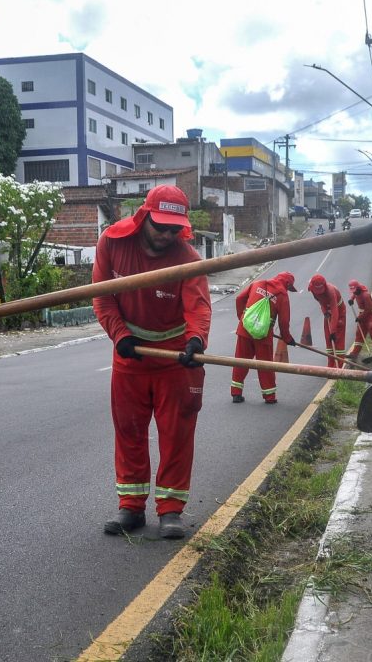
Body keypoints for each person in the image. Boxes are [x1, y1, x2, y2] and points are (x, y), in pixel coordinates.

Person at [92, 185, 211, 540]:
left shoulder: (188, 258)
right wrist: (120, 335)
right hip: (131, 353)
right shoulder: (112, 244)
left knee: (176, 434)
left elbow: (198, 306)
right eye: (160, 226)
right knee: (129, 430)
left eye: (174, 228)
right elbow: (101, 297)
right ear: (144, 217)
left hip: (175, 357)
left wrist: (195, 341)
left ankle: (171, 510)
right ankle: (131, 507)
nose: (167, 234)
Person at [230, 272, 298, 404]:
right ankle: (269, 396)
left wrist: (242, 318)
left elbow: (239, 299)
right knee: (265, 365)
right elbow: (284, 322)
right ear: (287, 284)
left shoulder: (257, 283)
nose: (288, 290)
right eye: (289, 288)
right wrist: (287, 338)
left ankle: (236, 393)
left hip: (245, 329)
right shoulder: (282, 296)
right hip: (263, 335)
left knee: (240, 361)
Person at [307, 274, 347, 368]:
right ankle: (330, 367)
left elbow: (335, 310)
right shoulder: (311, 289)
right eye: (317, 291)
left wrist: (333, 331)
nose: (319, 293)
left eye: (320, 291)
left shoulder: (331, 291)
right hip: (328, 314)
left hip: (339, 314)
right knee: (329, 342)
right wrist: (325, 312)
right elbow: (320, 301)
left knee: (338, 341)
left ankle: (339, 369)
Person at [347, 279, 372, 363]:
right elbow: (354, 295)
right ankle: (354, 353)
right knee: (359, 334)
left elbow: (368, 309)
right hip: (362, 315)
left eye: (355, 290)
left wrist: (360, 317)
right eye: (353, 291)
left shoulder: (365, 295)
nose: (354, 292)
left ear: (358, 288)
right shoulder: (356, 292)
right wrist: (351, 299)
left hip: (370, 316)